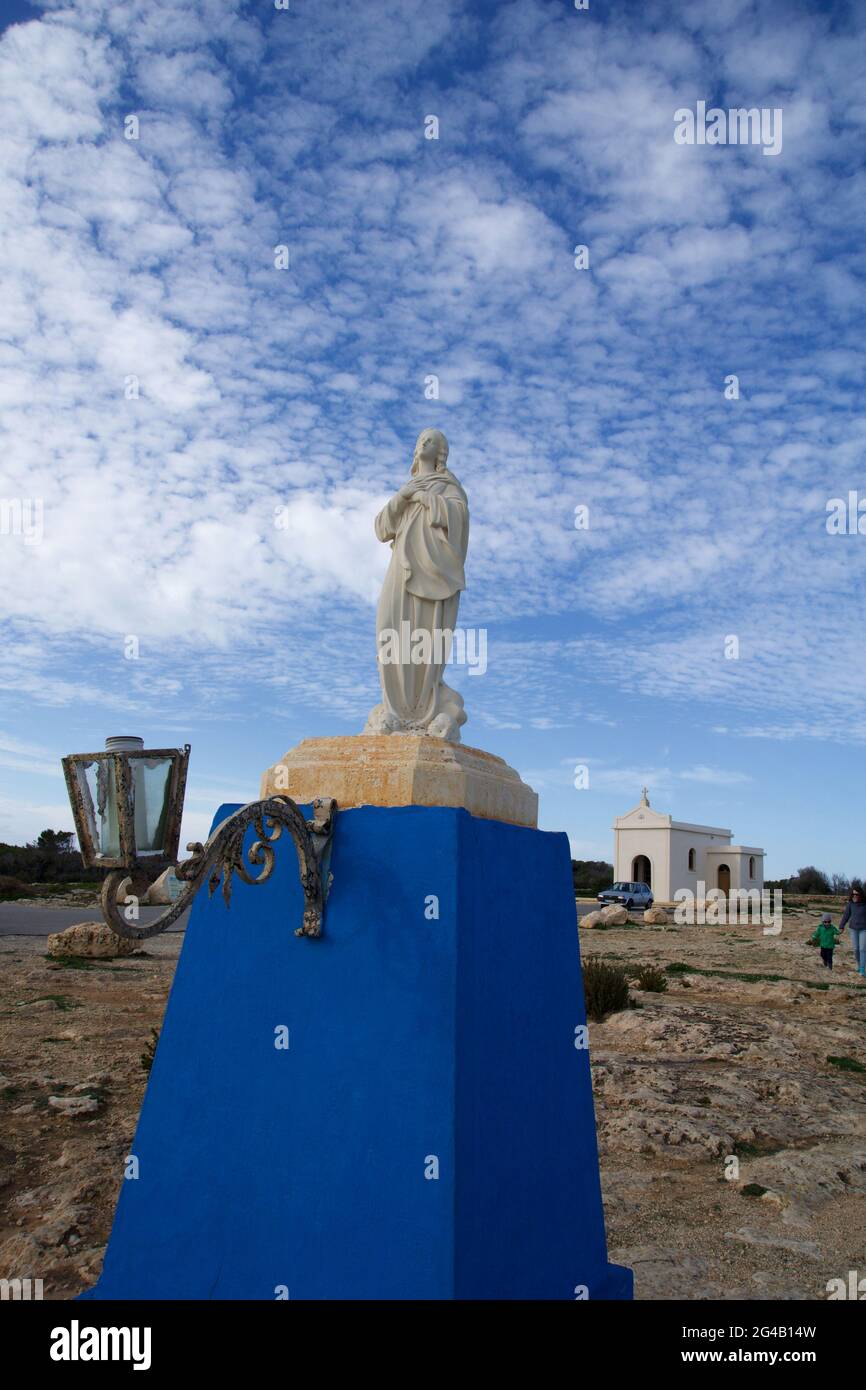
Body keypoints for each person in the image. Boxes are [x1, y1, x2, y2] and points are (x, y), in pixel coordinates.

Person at [839, 884, 866, 976]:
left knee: (862, 949)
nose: (855, 896)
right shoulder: (850, 904)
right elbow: (846, 915)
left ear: (861, 895)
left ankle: (862, 969)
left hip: (864, 929)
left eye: (857, 894)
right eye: (853, 894)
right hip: (853, 929)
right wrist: (841, 926)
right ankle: (859, 965)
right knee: (856, 949)